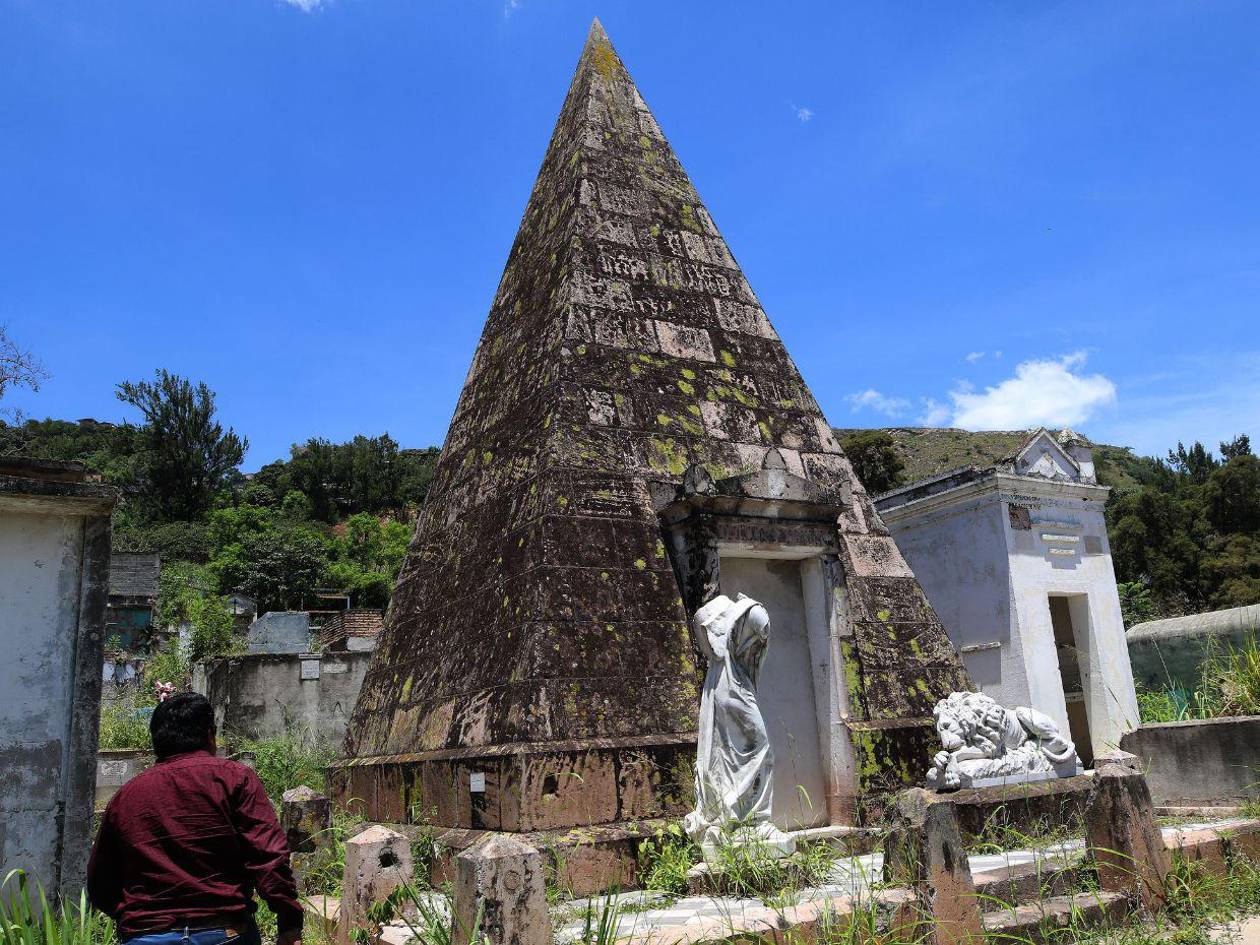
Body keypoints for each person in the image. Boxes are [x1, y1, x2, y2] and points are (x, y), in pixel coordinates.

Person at [88, 692, 304, 945]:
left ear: (156, 741)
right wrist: (289, 923)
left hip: (147, 934)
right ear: (210, 735)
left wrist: (141, 922)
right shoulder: (235, 779)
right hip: (225, 930)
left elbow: (100, 880)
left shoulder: (126, 796)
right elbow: (268, 856)